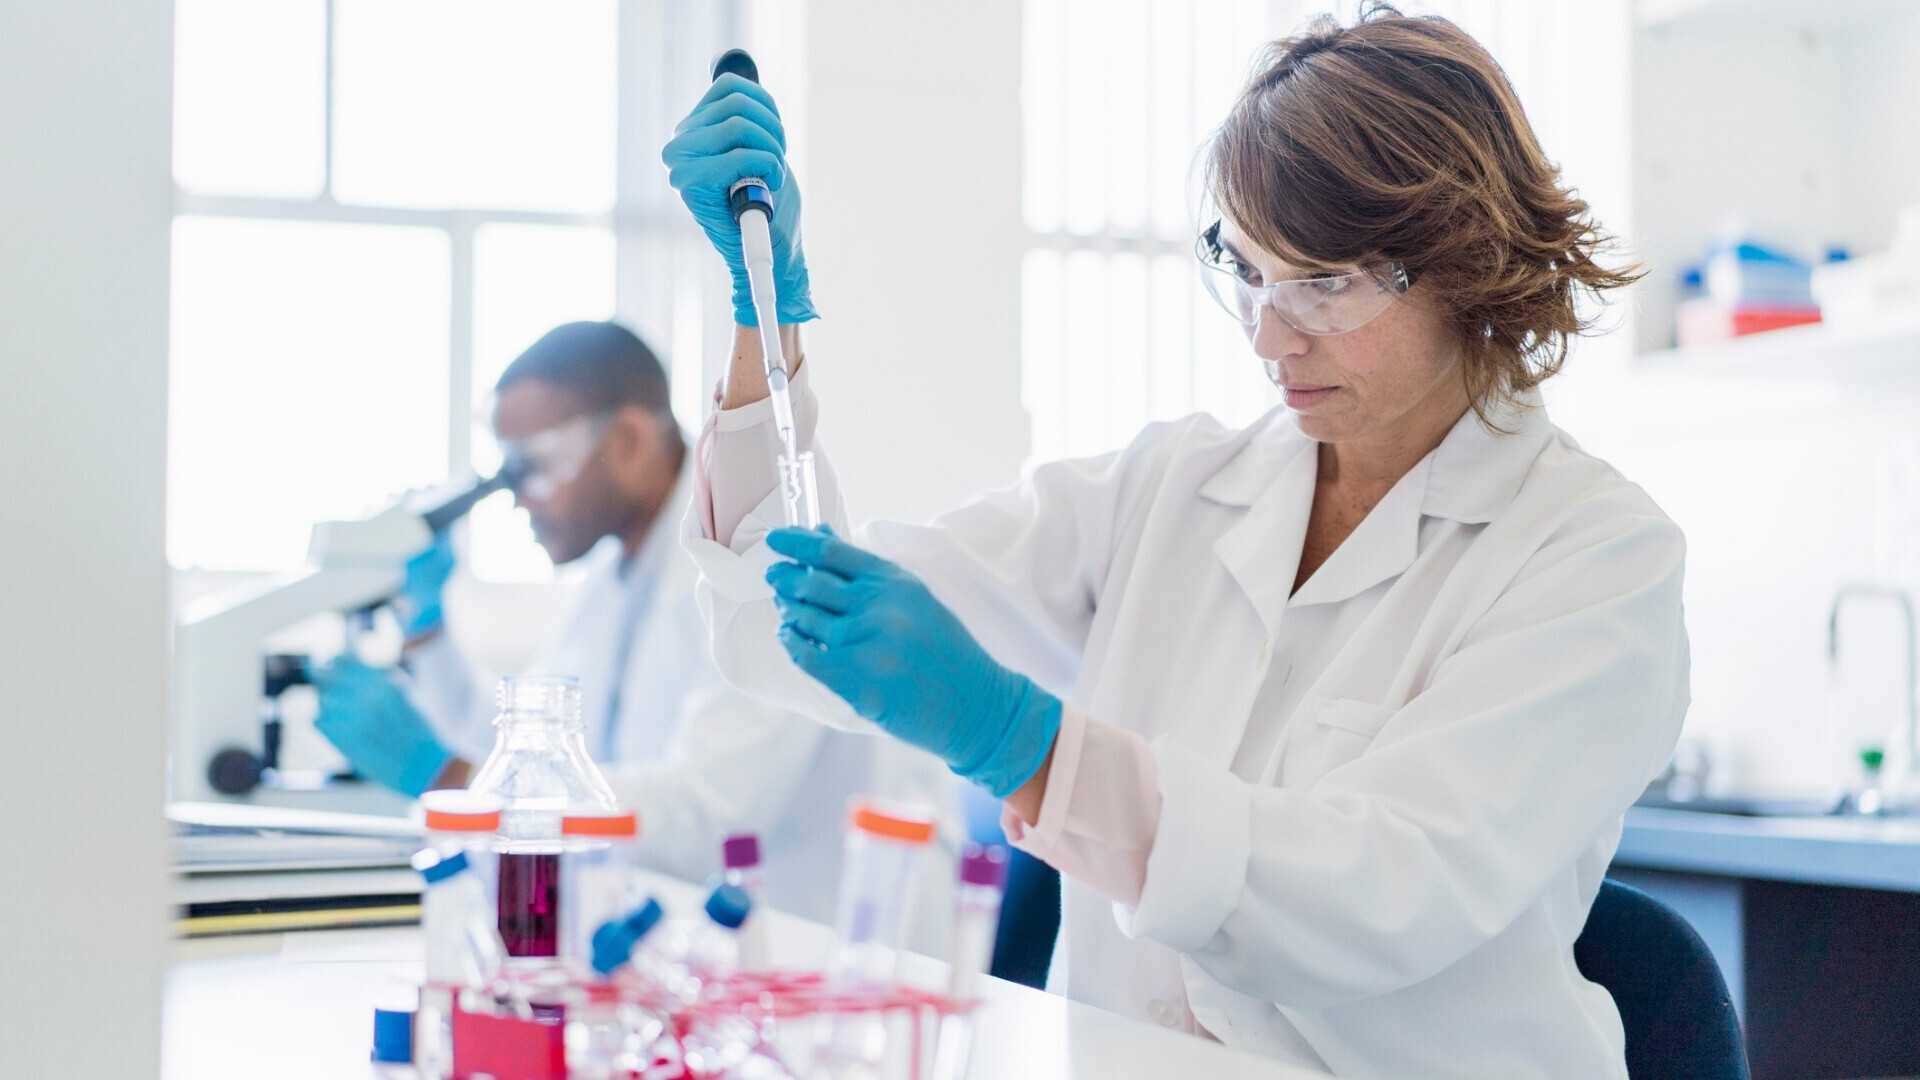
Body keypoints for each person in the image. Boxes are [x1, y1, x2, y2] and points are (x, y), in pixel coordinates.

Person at [665, 9, 1687, 1079]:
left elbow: (1378, 894)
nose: (1267, 335)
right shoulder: (1171, 490)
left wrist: (1027, 746)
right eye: (1245, 270)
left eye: (1322, 285)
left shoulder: (1595, 559)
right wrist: (763, 318)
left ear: (1467, 262)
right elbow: (781, 620)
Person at [311, 321, 957, 932]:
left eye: (532, 467)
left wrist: (450, 781)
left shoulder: (763, 549)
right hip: (712, 944)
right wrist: (428, 632)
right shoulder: (617, 576)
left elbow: (710, 813)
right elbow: (529, 747)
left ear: (628, 440)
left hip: (838, 955)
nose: (517, 499)